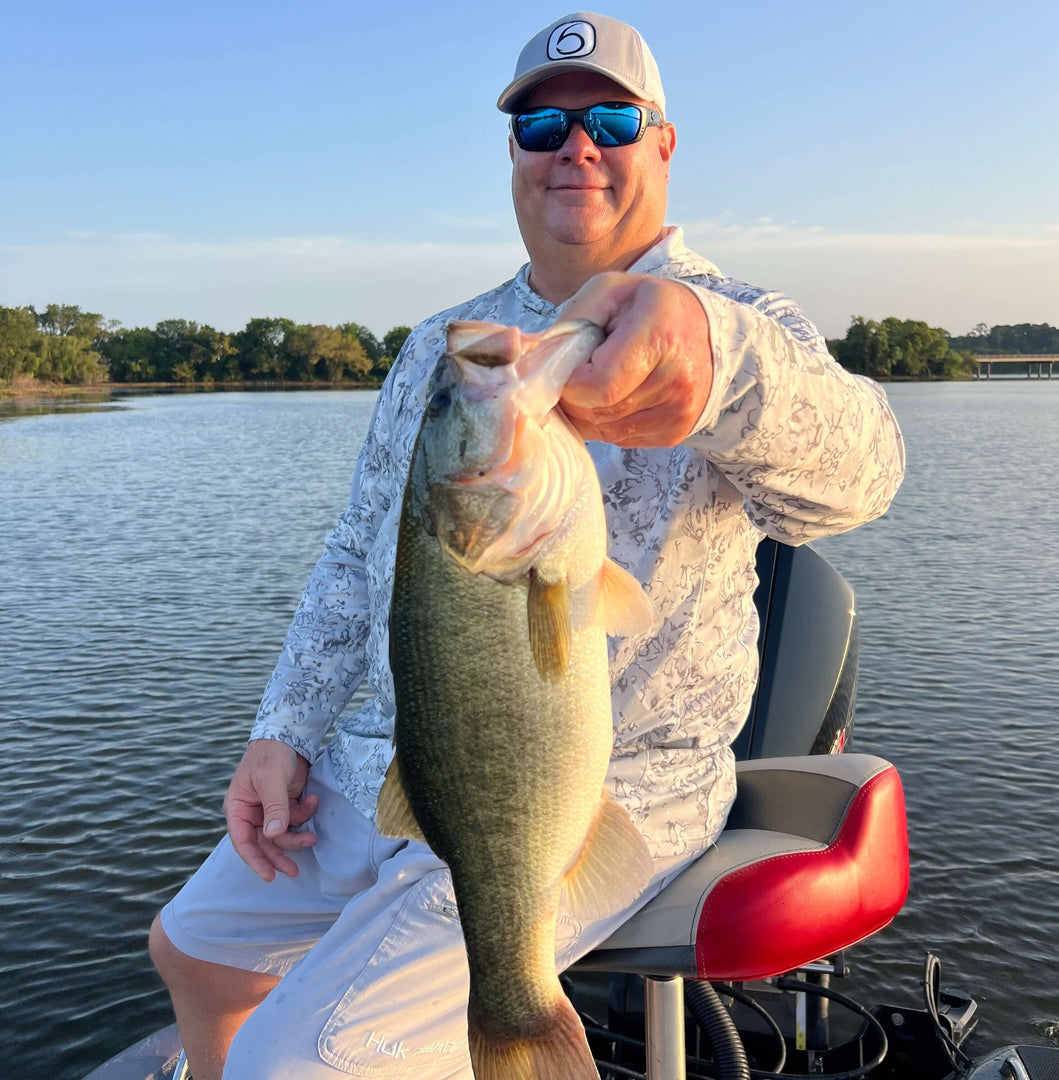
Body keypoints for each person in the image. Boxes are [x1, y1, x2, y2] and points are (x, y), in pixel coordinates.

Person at [149, 11, 906, 1080]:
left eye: (610, 118)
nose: (576, 146)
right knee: (193, 951)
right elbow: (356, 556)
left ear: (664, 142)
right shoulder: (448, 347)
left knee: (301, 1061)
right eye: (543, 125)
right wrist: (284, 732)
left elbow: (867, 474)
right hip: (383, 765)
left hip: (605, 787)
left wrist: (720, 363)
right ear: (513, 153)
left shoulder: (736, 321)